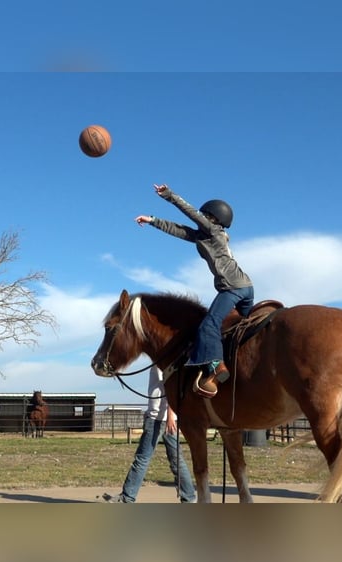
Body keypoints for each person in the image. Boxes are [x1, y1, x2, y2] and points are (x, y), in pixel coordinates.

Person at [135, 184, 254, 398]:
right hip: (246, 288)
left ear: (213, 219)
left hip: (233, 288)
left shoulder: (214, 232)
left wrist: (168, 195)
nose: (202, 218)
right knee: (237, 331)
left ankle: (217, 368)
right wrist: (152, 220)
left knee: (208, 327)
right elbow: (178, 230)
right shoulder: (205, 236)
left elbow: (191, 213)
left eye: (206, 216)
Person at [103, 366, 196, 503]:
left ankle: (127, 497)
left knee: (142, 459)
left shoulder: (165, 362)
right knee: (176, 460)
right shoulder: (160, 361)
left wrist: (170, 415)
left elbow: (173, 386)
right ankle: (189, 497)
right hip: (161, 418)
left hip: (159, 419)